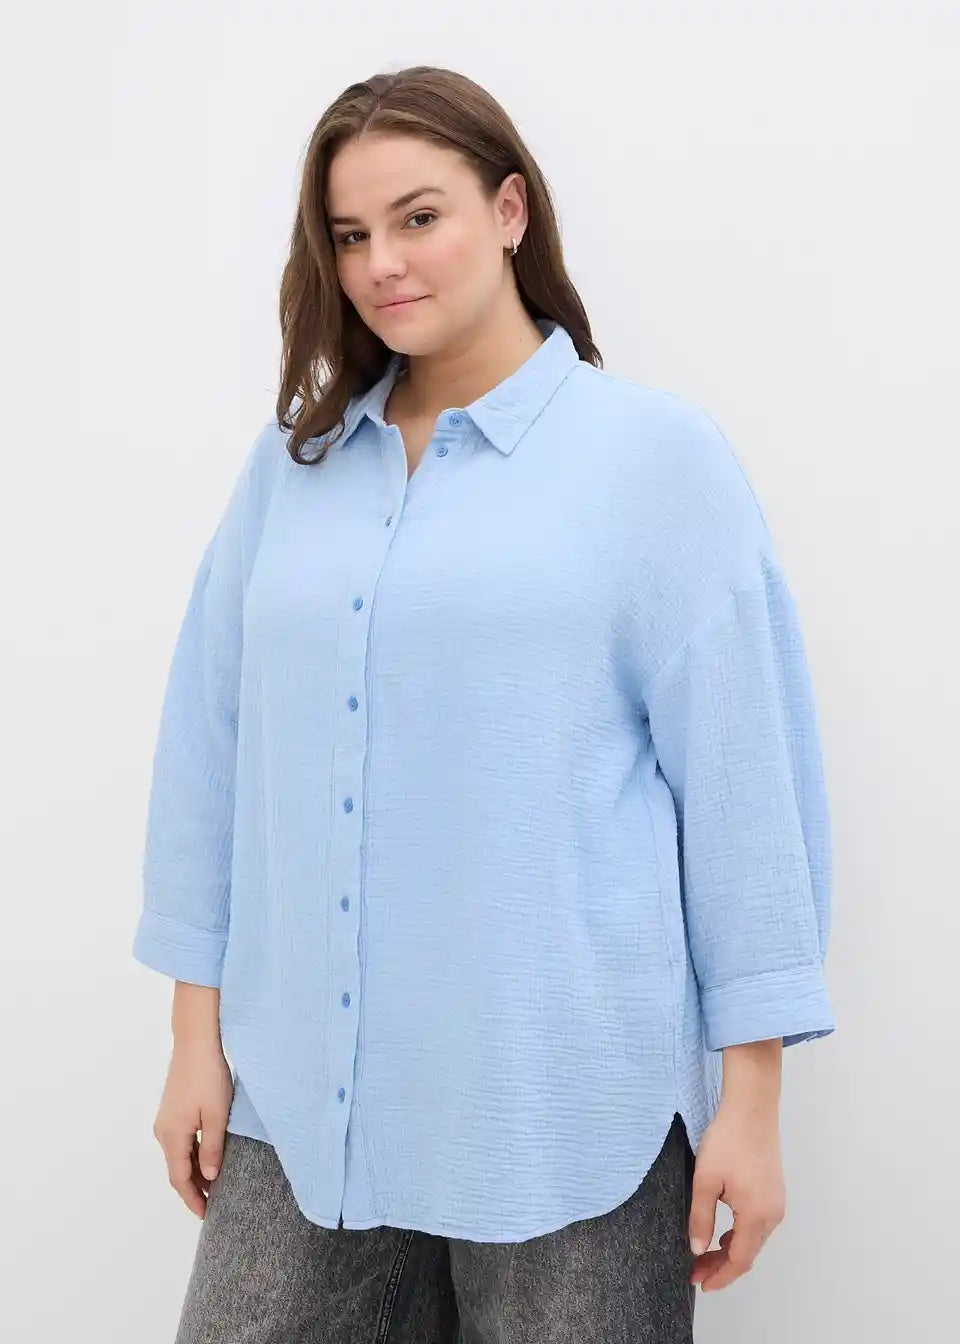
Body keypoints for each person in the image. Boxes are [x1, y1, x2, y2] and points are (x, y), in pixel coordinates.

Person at [132, 64, 837, 1343]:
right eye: (350, 235)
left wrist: (752, 1101)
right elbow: (210, 754)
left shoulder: (653, 460)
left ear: (510, 210)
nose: (382, 265)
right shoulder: (290, 471)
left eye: (419, 217)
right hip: (307, 1101)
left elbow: (747, 788)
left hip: (563, 1108)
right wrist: (197, 1040)